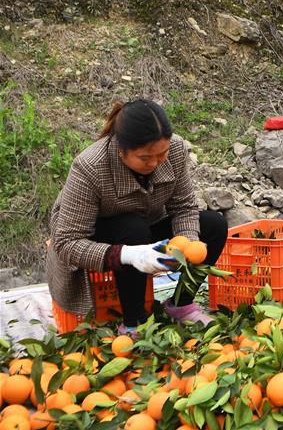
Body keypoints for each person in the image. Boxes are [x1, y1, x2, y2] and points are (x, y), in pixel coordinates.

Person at [46, 99, 228, 332]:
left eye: (161, 154)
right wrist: (129, 254)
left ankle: (181, 305)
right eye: (145, 158)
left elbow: (183, 206)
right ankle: (134, 322)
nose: (154, 163)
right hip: (101, 236)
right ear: (121, 151)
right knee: (133, 229)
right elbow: (67, 243)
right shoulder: (90, 167)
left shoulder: (176, 150)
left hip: (146, 222)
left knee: (214, 225)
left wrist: (186, 243)